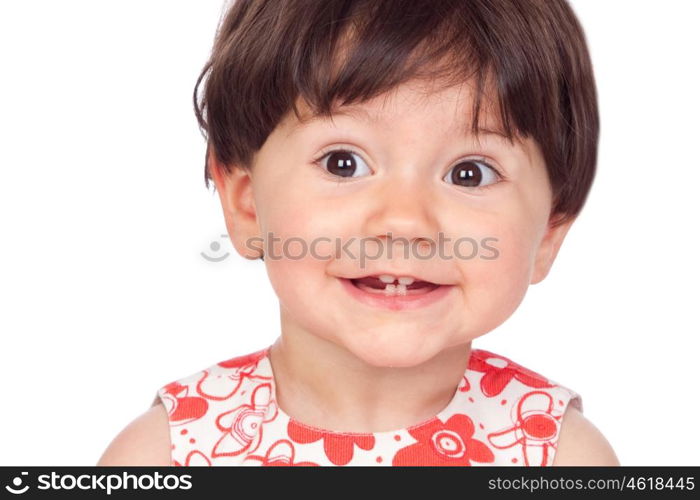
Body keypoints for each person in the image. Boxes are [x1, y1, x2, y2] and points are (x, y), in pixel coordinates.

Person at [98, 0, 619, 466]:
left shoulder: (559, 457)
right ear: (247, 205)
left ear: (549, 232)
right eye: (343, 163)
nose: (404, 220)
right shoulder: (165, 455)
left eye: (470, 173)